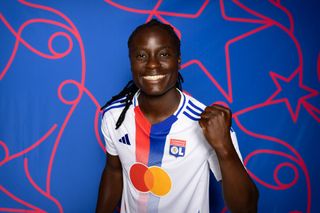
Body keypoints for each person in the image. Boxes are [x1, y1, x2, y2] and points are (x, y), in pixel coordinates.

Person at [96, 19, 258, 213]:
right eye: (141, 56)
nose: (152, 65)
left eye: (163, 54)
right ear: (131, 62)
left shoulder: (207, 122)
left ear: (178, 60)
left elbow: (247, 208)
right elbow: (114, 172)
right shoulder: (115, 116)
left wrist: (224, 148)